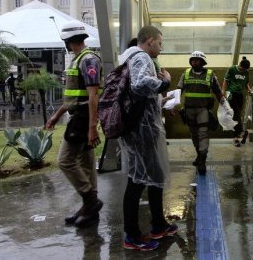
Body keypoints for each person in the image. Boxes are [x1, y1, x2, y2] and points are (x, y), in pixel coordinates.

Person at [117, 26, 176, 251]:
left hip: (142, 127)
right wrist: (165, 83)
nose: (161, 48)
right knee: (138, 180)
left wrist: (160, 102)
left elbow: (137, 94)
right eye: (160, 43)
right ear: (150, 41)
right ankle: (132, 235)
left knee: (154, 175)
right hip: (141, 131)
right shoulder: (141, 57)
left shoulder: (128, 57)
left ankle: (158, 224)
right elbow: (140, 85)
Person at [46, 21, 103, 228]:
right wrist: (56, 115)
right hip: (77, 115)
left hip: (83, 119)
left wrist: (91, 127)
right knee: (87, 163)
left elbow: (93, 95)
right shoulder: (79, 59)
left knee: (66, 161)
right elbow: (72, 97)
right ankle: (90, 210)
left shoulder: (88, 60)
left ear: (68, 42)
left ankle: (91, 201)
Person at [176, 50, 227, 175]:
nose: (194, 61)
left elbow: (218, 92)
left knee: (203, 134)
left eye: (197, 59)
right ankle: (199, 155)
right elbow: (178, 91)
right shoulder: (185, 73)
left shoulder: (210, 74)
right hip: (189, 110)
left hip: (203, 110)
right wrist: (173, 106)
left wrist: (226, 107)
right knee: (194, 135)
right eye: (192, 59)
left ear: (202, 62)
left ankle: (202, 161)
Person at [222, 56, 252, 147]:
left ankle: (236, 138)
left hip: (240, 94)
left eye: (245, 69)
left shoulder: (246, 72)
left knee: (236, 115)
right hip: (231, 94)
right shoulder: (232, 69)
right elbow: (225, 81)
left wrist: (249, 90)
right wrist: (223, 92)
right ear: (240, 65)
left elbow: (246, 83)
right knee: (236, 113)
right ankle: (241, 132)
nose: (243, 71)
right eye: (242, 69)